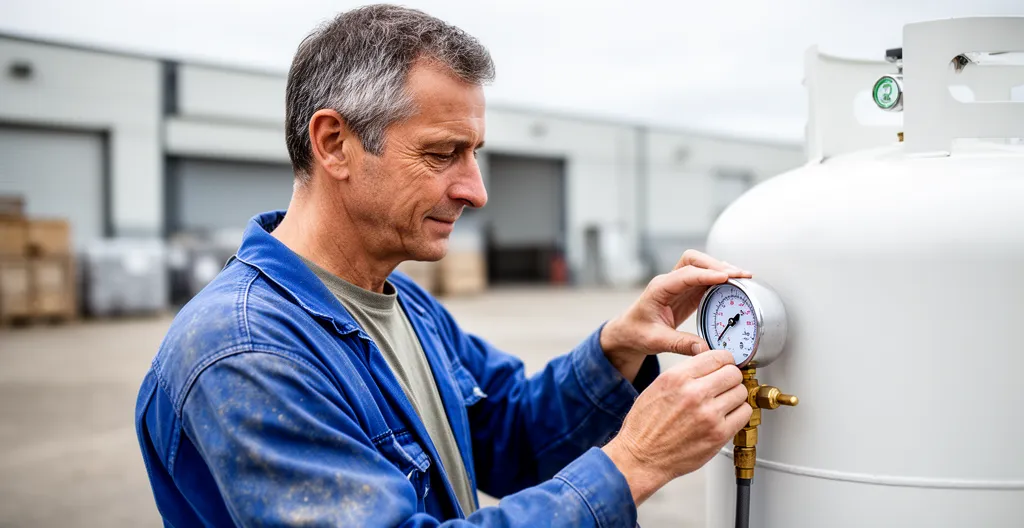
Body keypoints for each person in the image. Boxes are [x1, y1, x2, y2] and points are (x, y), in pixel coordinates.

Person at [134, 4, 753, 527]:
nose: (475, 191)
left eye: (473, 152)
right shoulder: (245, 353)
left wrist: (617, 350)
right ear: (334, 144)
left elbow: (510, 435)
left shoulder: (399, 301)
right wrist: (633, 463)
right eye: (441, 154)